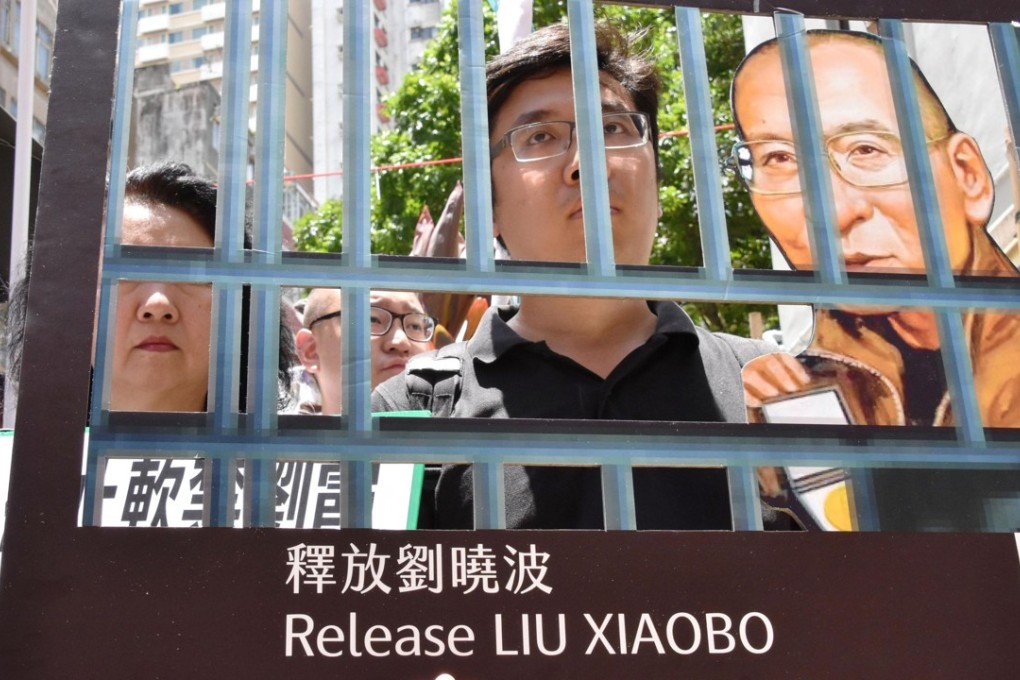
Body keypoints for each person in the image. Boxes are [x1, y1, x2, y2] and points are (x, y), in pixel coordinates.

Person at [373, 23, 787, 530]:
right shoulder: (411, 409)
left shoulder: (779, 386)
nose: (587, 162)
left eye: (613, 129)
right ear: (487, 209)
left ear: (656, 180)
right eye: (540, 136)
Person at [729, 30, 1020, 531]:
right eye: (779, 159)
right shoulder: (804, 397)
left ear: (968, 174)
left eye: (866, 150)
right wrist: (770, 465)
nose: (833, 212)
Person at [293, 288, 436, 414]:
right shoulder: (284, 436)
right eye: (371, 319)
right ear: (310, 350)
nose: (402, 342)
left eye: (415, 326)